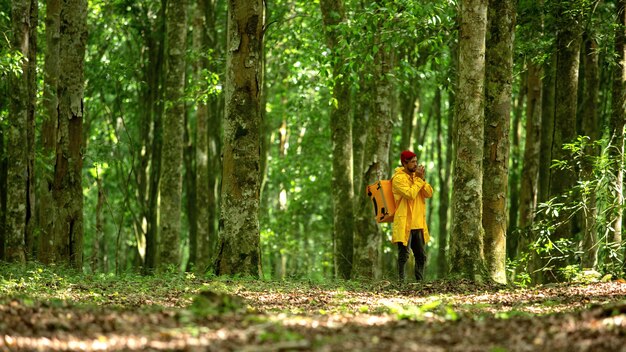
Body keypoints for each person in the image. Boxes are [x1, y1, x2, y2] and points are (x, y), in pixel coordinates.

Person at [391, 150, 434, 282]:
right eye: (413, 162)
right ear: (405, 163)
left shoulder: (417, 177)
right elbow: (410, 194)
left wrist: (421, 180)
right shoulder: (398, 179)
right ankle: (401, 283)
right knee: (404, 255)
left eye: (416, 161)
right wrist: (419, 181)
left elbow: (429, 193)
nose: (416, 164)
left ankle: (419, 282)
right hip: (405, 223)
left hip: (419, 224)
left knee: (421, 256)